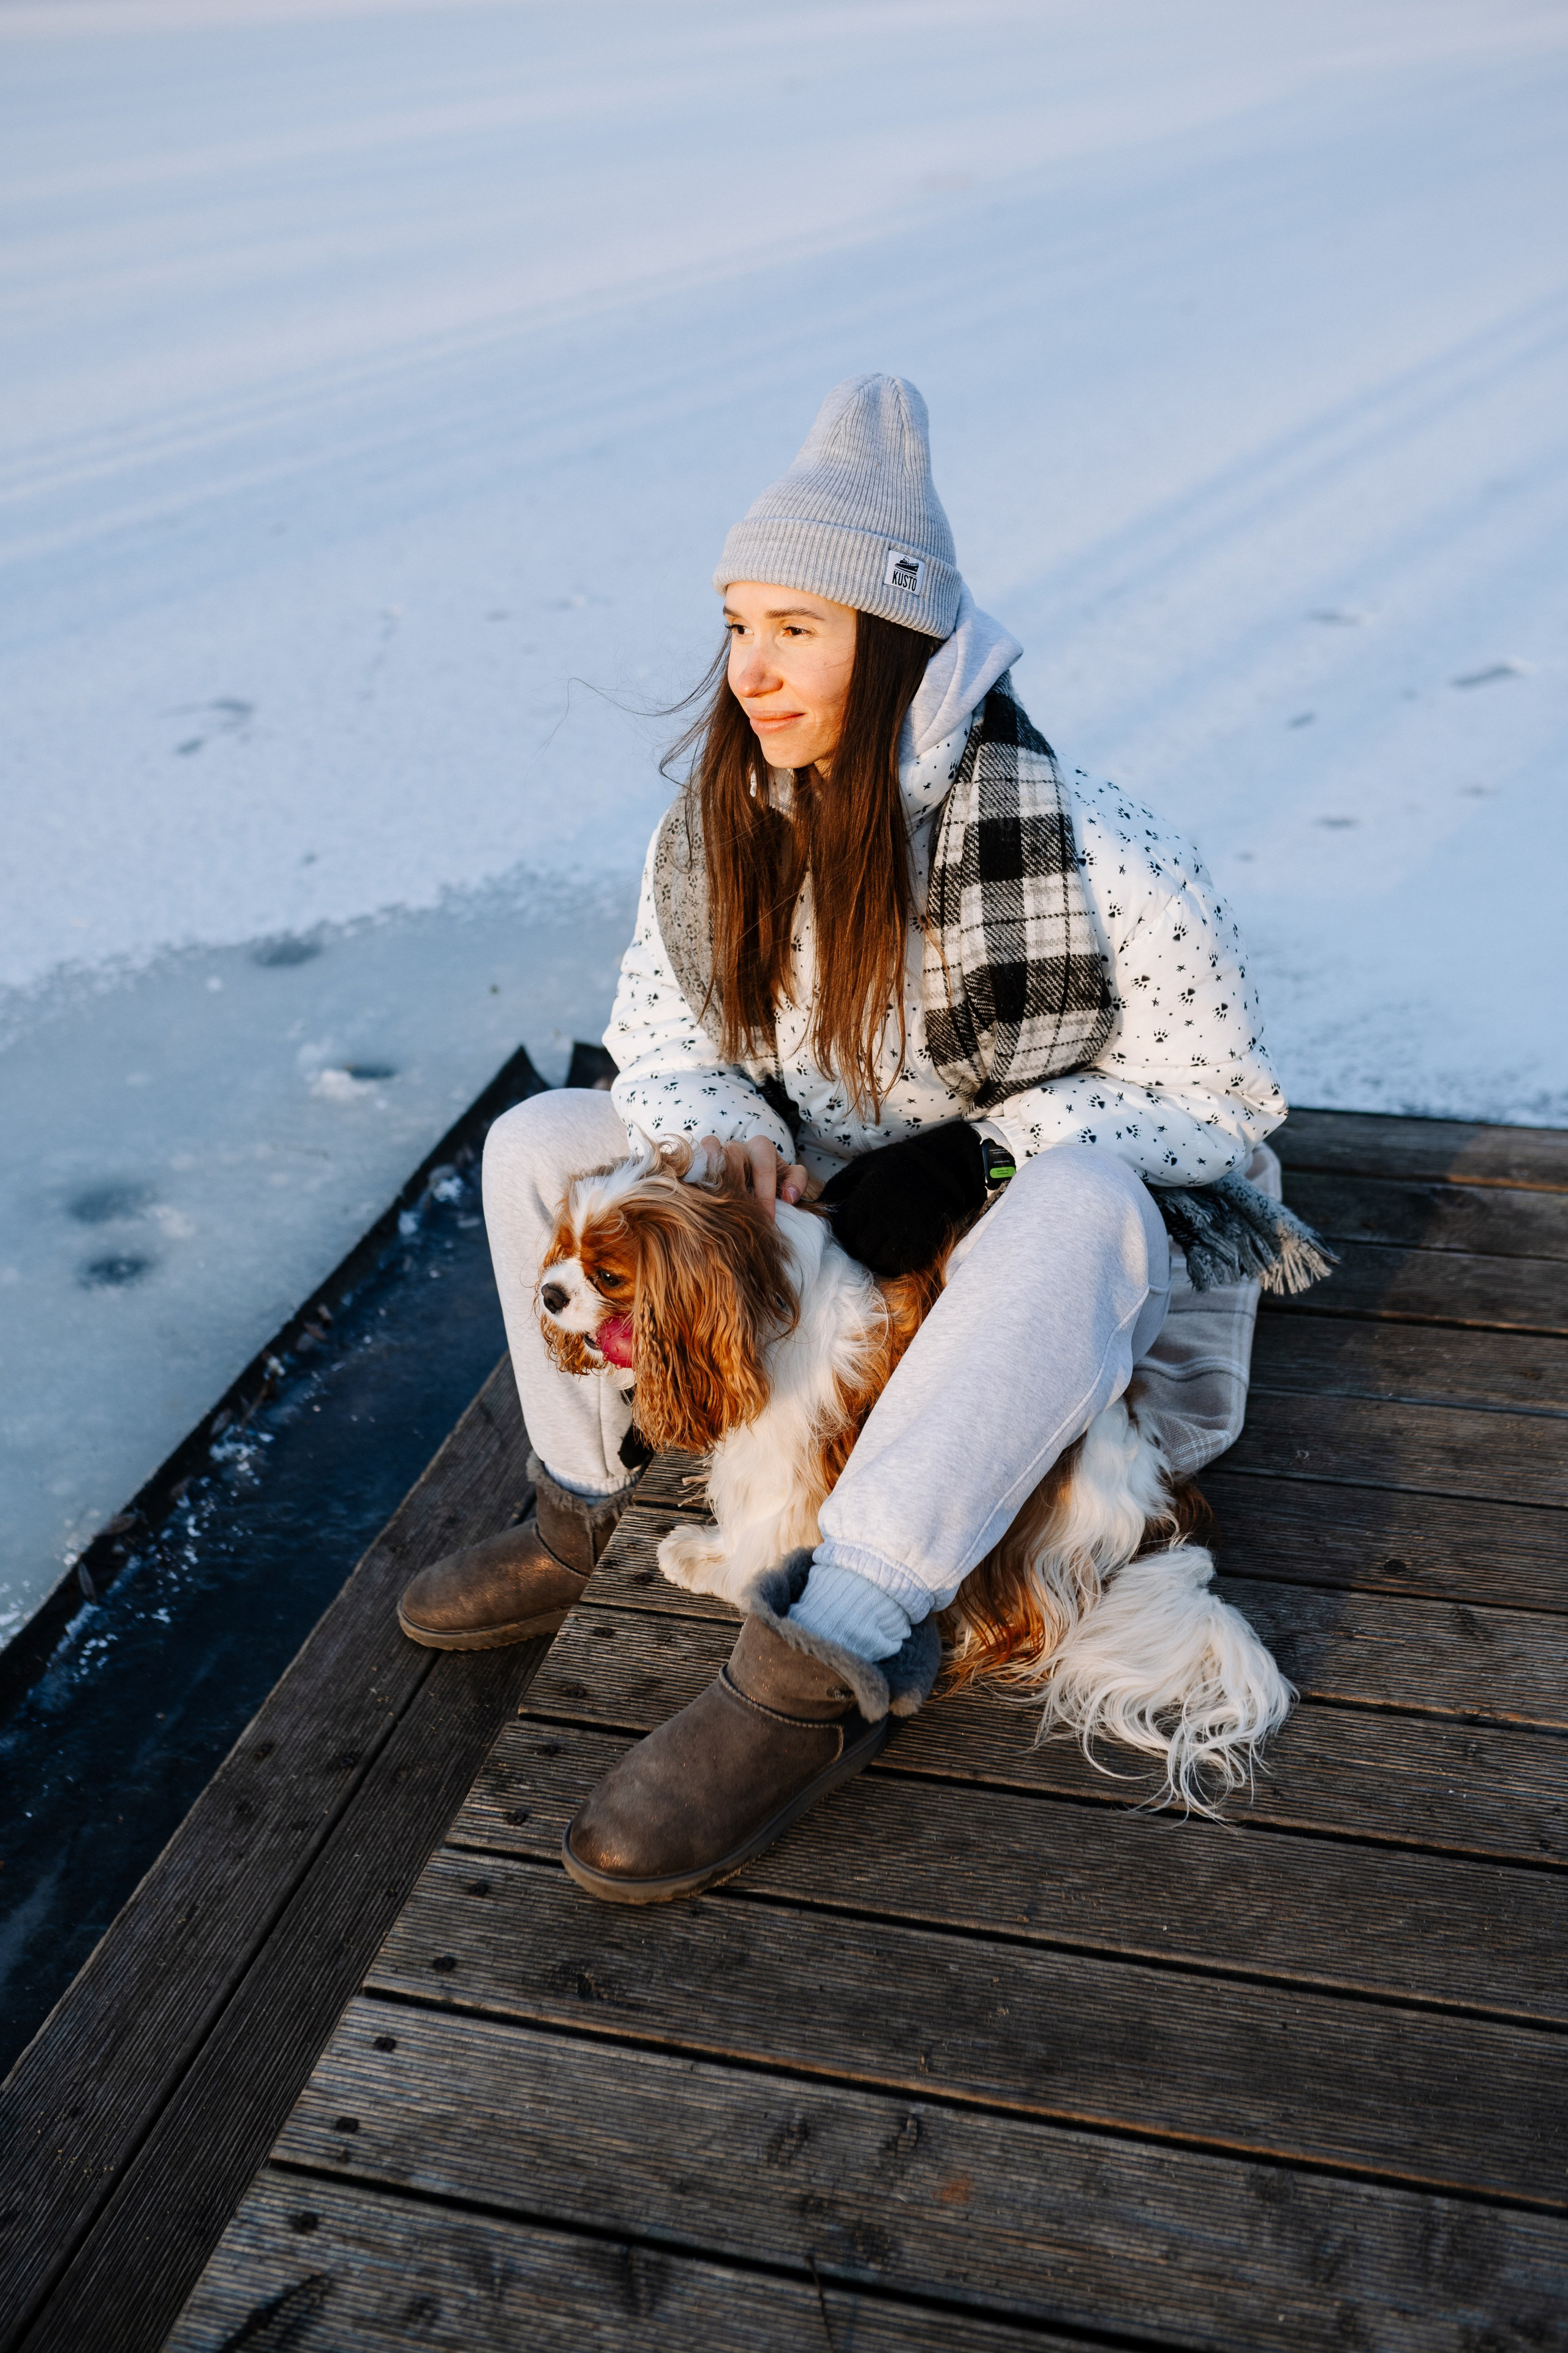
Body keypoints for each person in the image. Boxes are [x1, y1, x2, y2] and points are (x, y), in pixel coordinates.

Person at [398, 374, 1288, 1902]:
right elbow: (660, 1038)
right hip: (830, 1265)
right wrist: (727, 1125)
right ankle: (577, 1513)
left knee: (1076, 1198)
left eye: (794, 627)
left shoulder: (1092, 845)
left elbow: (1221, 1110)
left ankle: (825, 1655)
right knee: (543, 1134)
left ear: (899, 642)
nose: (750, 667)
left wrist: (976, 1155)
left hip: (1059, 1323)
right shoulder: (718, 825)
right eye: (737, 623)